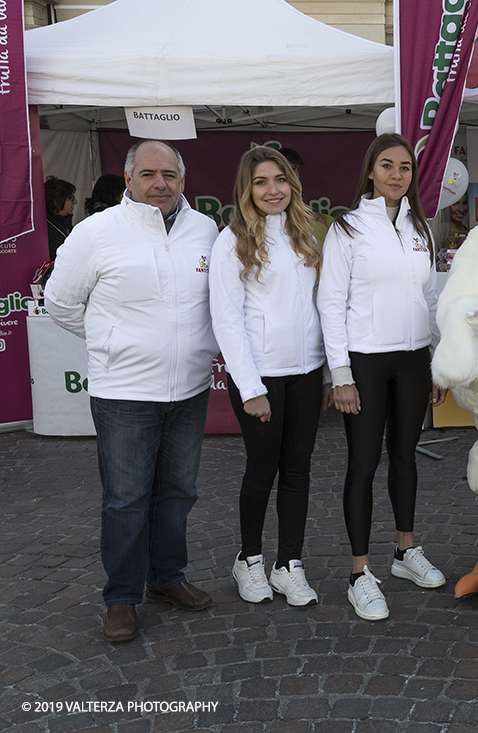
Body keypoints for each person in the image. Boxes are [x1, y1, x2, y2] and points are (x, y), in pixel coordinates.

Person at [45, 140, 219, 642]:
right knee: (125, 499)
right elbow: (60, 302)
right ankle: (121, 597)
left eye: (169, 174)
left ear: (183, 180)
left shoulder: (205, 230)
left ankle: (167, 579)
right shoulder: (96, 232)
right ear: (128, 179)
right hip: (123, 392)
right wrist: (111, 342)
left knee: (179, 493)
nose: (159, 183)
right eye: (148, 174)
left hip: (189, 389)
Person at [318, 133, 447, 622]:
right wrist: (341, 374)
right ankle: (359, 573)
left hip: (413, 359)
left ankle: (404, 553)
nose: (397, 174)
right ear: (371, 171)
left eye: (405, 168)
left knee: (405, 458)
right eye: (388, 165)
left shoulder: (420, 227)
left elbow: (430, 299)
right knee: (363, 464)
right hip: (366, 361)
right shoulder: (346, 229)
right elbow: (330, 304)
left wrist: (435, 360)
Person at [210, 147, 333, 607]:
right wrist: (251, 387)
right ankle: (250, 559)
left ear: (292, 184)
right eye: (261, 182)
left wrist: (323, 373)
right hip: (259, 377)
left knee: (298, 470)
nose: (272, 190)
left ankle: (289, 564)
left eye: (280, 180)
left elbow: (319, 310)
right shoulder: (231, 241)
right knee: (263, 469)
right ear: (247, 188)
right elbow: (227, 320)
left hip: (304, 373)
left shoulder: (306, 235)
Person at [44, 175, 77, 260]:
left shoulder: (66, 222)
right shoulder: (44, 229)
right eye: (71, 198)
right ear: (56, 201)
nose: (75, 202)